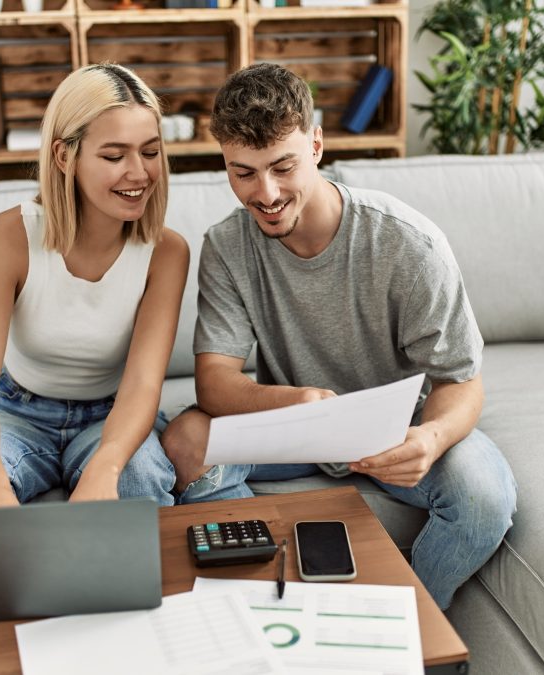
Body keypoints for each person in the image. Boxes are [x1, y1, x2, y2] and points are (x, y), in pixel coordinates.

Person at [161, 63, 516, 609]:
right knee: (185, 440)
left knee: (485, 500)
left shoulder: (408, 244)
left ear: (317, 145)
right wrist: (300, 402)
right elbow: (214, 383)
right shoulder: (227, 246)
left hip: (395, 431)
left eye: (283, 167)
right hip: (291, 426)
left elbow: (462, 381)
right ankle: (263, 603)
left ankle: (412, 618)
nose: (266, 193)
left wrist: (431, 438)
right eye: (243, 173)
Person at [0, 64, 189, 511]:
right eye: (114, 156)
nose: (139, 173)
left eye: (150, 152)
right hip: (16, 413)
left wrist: (107, 466)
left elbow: (143, 385)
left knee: (139, 478)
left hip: (112, 414)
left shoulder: (166, 253)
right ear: (65, 156)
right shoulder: (7, 237)